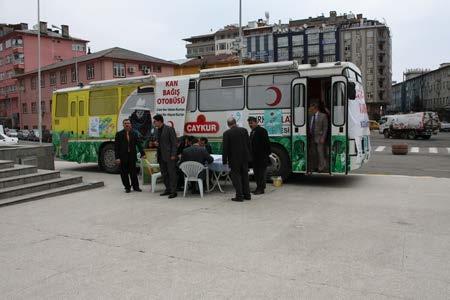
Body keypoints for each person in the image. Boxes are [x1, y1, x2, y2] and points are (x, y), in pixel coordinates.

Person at [222, 117, 251, 202]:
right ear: (235, 122)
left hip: (234, 159)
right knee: (245, 176)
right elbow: (249, 144)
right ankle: (247, 195)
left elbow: (225, 148)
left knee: (236, 177)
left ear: (228, 124)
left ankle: (239, 196)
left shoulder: (227, 133)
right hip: (244, 158)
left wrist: (224, 160)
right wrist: (249, 156)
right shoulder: (244, 130)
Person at [114, 119, 145, 193]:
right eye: (125, 123)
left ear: (131, 124)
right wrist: (117, 157)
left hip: (132, 156)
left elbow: (139, 144)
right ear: (123, 125)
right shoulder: (119, 134)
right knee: (124, 173)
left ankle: (136, 187)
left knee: (133, 172)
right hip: (122, 157)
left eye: (128, 123)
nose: (127, 124)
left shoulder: (134, 133)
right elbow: (116, 147)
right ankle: (127, 187)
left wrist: (143, 154)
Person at [153, 114, 178, 198]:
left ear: (159, 121)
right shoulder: (156, 130)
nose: (154, 123)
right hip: (160, 155)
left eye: (155, 121)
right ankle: (168, 189)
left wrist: (173, 154)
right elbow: (159, 141)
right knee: (164, 174)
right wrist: (156, 143)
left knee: (172, 174)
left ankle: (174, 191)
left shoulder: (169, 129)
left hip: (169, 156)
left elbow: (174, 143)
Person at [248, 116, 271, 195]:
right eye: (249, 123)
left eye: (252, 123)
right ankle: (258, 187)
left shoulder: (262, 131)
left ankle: (261, 189)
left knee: (261, 173)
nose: (250, 125)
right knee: (257, 174)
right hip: (254, 157)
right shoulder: (252, 132)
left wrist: (265, 155)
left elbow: (267, 144)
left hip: (261, 157)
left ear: (256, 122)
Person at [309, 103, 328, 172]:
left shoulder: (323, 116)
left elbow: (325, 128)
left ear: (316, 109)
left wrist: (323, 137)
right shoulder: (311, 116)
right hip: (312, 137)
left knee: (320, 153)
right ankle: (315, 167)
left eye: (312, 109)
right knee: (313, 153)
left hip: (320, 138)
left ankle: (321, 168)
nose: (310, 110)